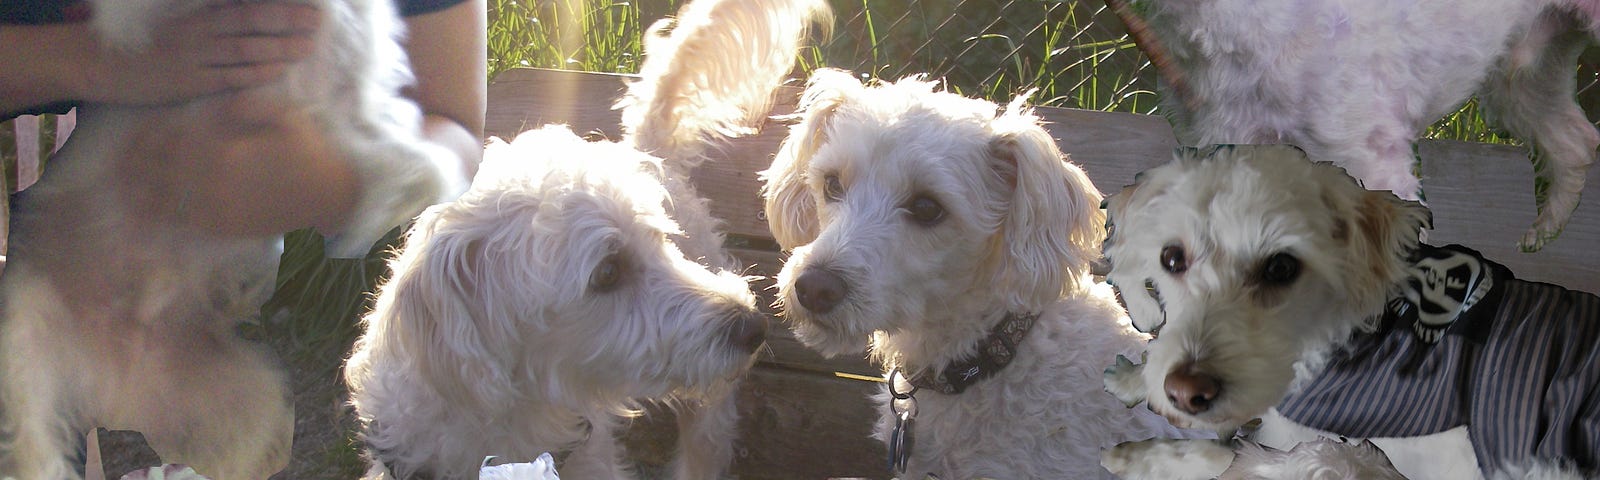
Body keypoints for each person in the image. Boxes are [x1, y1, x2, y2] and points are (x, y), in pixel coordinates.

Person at [0, 0, 486, 238]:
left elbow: (457, 128)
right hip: (75, 260)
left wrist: (341, 185)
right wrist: (101, 60)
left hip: (210, 305)